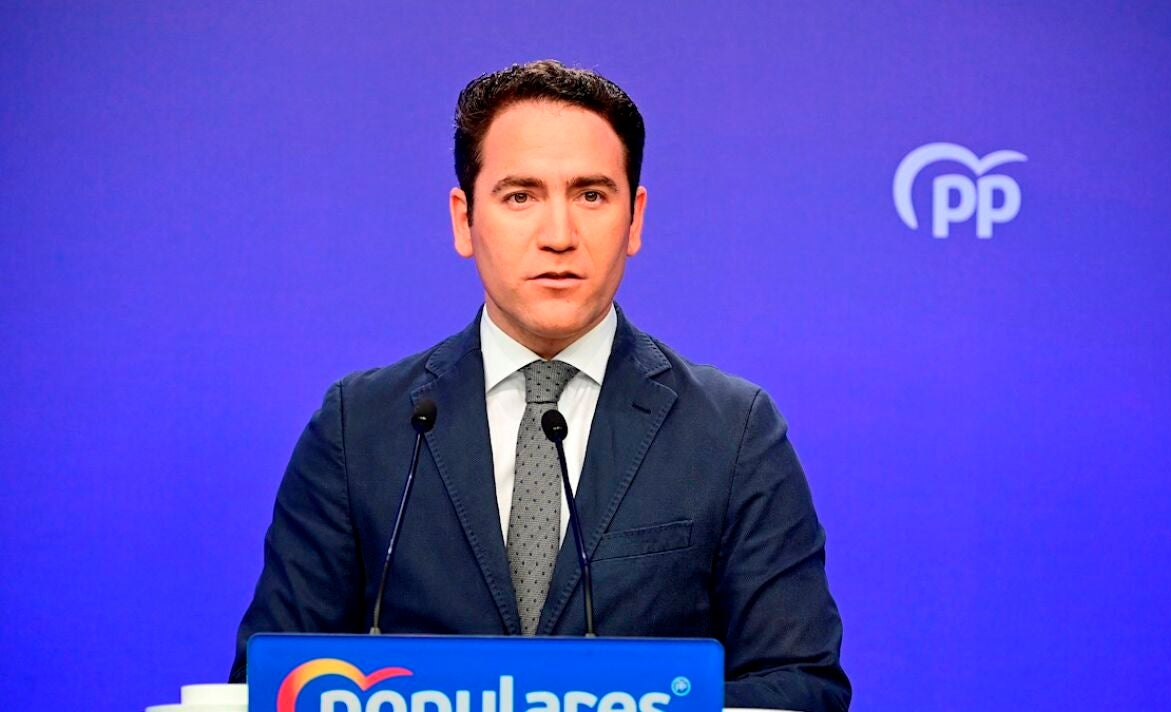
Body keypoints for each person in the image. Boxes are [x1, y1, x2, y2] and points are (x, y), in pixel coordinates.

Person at [231, 60, 851, 710]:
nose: (559, 236)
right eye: (520, 196)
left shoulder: (731, 432)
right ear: (464, 219)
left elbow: (800, 686)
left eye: (591, 195)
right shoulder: (359, 429)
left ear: (635, 219)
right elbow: (269, 686)